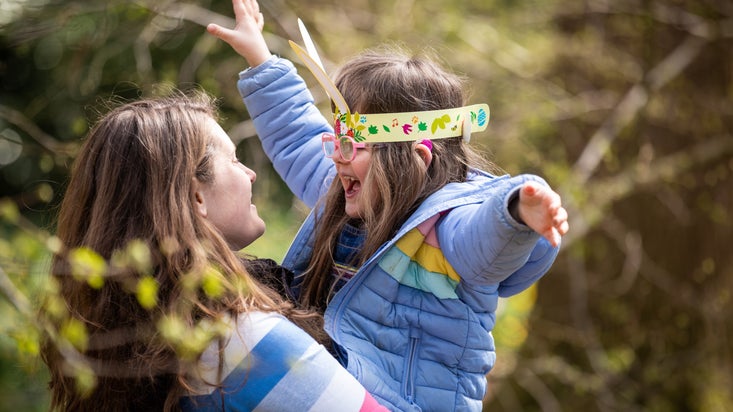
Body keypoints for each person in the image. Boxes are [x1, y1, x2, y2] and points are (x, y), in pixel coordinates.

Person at [207, 0, 569, 410]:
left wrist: (516, 211)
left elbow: (484, 239)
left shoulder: (446, 226)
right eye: (337, 139)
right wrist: (259, 56)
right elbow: (297, 134)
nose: (337, 157)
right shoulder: (345, 192)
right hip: (339, 387)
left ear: (417, 158)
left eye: (353, 144)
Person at [39, 92, 388, 412]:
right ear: (196, 197)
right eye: (235, 160)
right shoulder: (245, 345)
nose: (250, 174)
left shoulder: (118, 343)